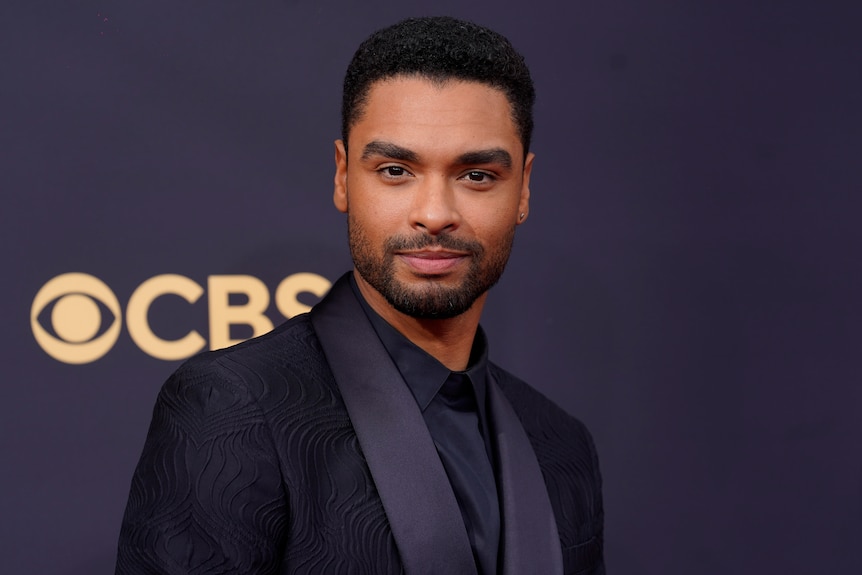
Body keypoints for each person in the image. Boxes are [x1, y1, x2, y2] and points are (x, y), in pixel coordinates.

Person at [116, 16, 604, 575]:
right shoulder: (230, 410)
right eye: (396, 170)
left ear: (523, 189)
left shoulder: (560, 444)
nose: (436, 214)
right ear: (344, 176)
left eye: (476, 176)